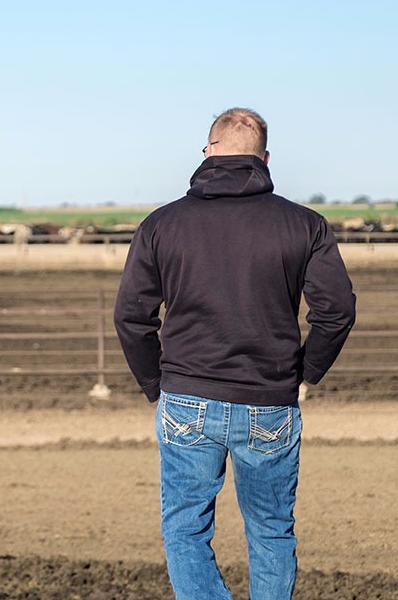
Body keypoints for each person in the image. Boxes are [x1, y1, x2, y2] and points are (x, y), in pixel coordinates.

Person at [113, 107, 356, 599]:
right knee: (270, 531)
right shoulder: (304, 224)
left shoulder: (161, 224)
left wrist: (155, 386)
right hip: (270, 401)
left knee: (185, 531)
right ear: (264, 159)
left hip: (186, 397)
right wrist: (302, 375)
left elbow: (131, 316)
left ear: (208, 151)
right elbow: (337, 312)